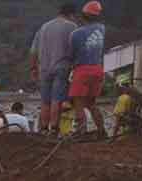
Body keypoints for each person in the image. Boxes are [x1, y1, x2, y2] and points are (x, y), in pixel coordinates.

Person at [30, 3, 78, 135]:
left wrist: (33, 68)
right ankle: (54, 129)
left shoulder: (44, 27)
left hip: (44, 68)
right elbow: (76, 50)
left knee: (45, 100)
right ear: (71, 14)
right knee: (57, 99)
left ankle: (44, 129)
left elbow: (33, 51)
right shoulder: (72, 27)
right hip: (61, 68)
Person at [69, 1, 106, 137]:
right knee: (91, 103)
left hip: (82, 70)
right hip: (97, 69)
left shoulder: (76, 34)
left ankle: (81, 132)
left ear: (83, 15)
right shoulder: (102, 29)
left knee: (78, 103)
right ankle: (102, 130)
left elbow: (71, 55)